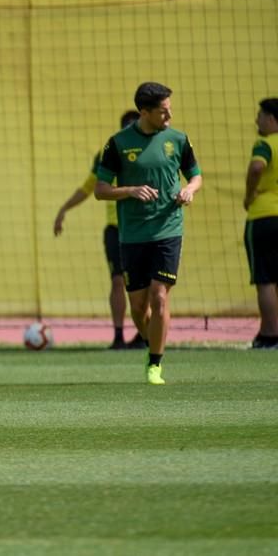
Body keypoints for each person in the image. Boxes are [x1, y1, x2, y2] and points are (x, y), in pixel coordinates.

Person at [94, 82, 202, 384]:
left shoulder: (178, 140)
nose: (169, 115)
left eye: (170, 109)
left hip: (168, 229)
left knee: (159, 298)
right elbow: (100, 190)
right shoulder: (117, 143)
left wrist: (189, 190)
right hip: (132, 236)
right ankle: (151, 343)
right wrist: (130, 190)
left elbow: (195, 175)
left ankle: (155, 364)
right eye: (163, 111)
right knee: (139, 308)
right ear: (144, 112)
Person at [53, 110, 144, 350]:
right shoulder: (109, 154)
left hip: (144, 227)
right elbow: (88, 187)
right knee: (117, 282)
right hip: (116, 229)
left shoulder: (152, 152)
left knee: (146, 286)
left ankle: (146, 334)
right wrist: (64, 209)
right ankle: (118, 336)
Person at [243, 98, 278, 349]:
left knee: (265, 279)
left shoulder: (265, 143)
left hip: (264, 217)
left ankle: (269, 334)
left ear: (272, 120)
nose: (257, 120)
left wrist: (249, 195)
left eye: (260, 115)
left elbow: (256, 168)